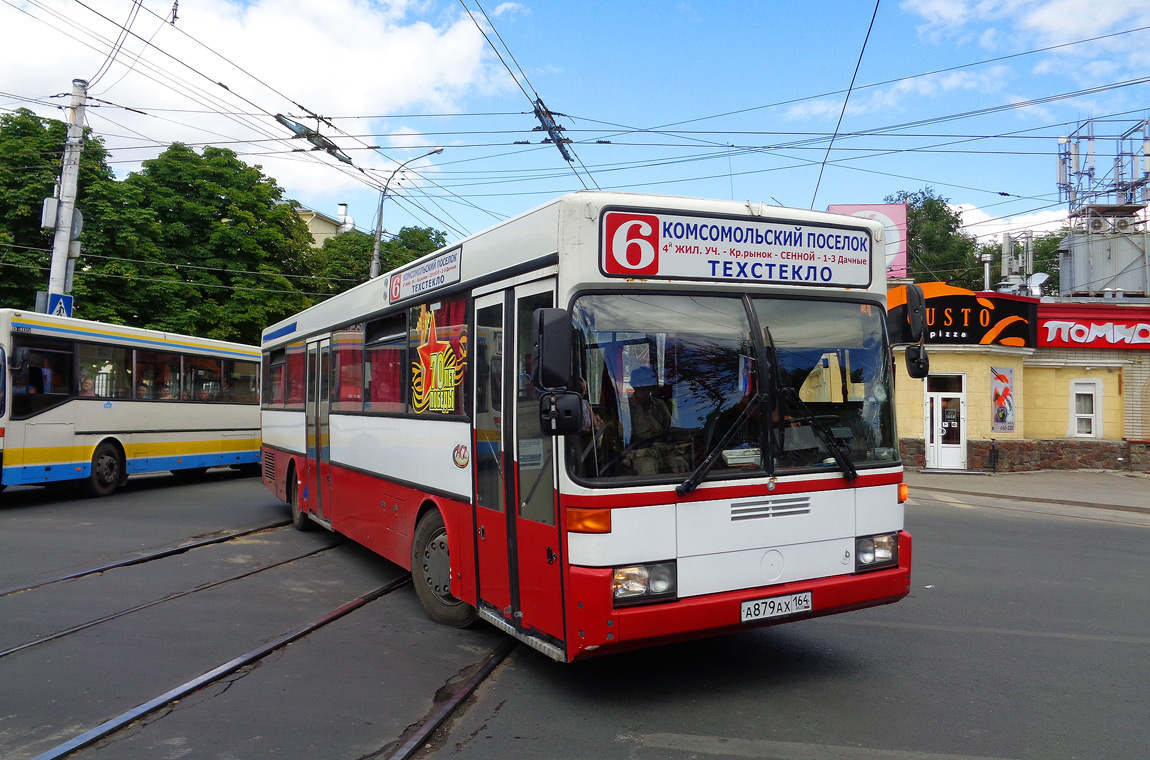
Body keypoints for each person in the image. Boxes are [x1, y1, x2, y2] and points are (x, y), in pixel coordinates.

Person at [625, 366, 688, 475]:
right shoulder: (626, 407)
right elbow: (626, 436)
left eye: (647, 382)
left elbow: (669, 427)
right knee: (649, 467)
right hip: (641, 451)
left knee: (680, 463)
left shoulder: (660, 404)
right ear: (633, 384)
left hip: (663, 448)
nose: (644, 386)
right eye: (640, 383)